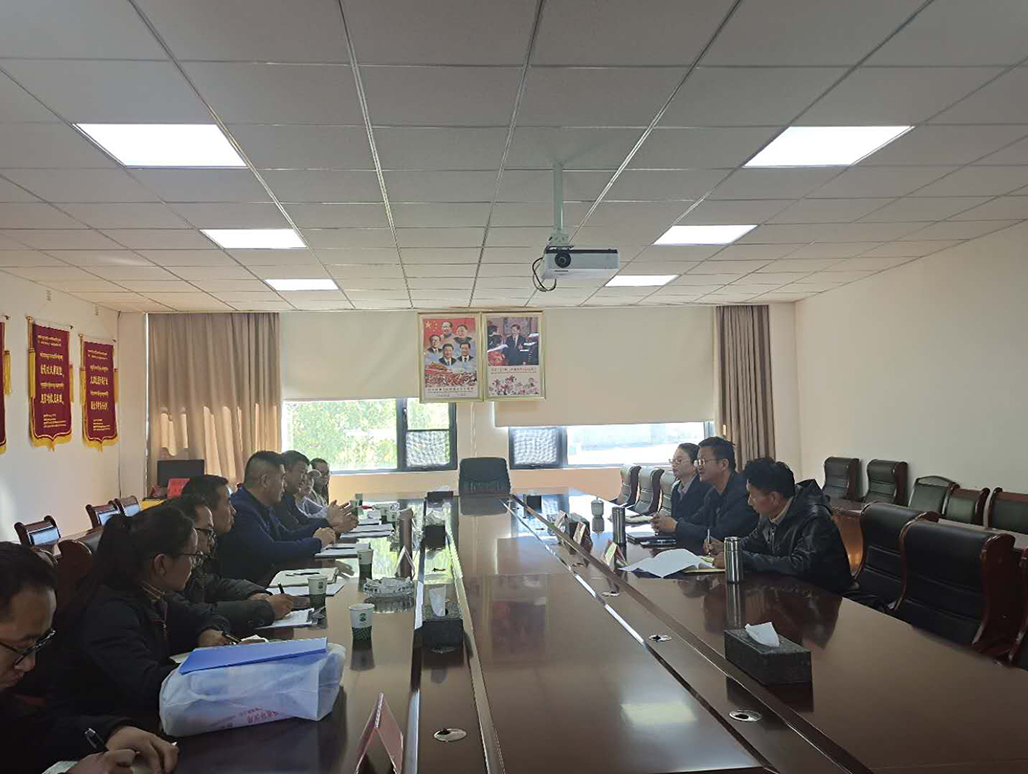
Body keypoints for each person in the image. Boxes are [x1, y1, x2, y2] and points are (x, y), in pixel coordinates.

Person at [1, 543, 179, 774]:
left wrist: (112, 731)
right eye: (20, 647)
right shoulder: (108, 610)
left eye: (39, 643)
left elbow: (28, 735)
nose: (30, 664)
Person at [50, 507, 233, 718]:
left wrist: (209, 632)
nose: (195, 564)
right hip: (103, 725)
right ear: (161, 563)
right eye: (193, 556)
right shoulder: (110, 612)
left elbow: (205, 615)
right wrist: (217, 670)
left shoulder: (151, 593)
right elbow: (148, 686)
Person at [706, 459, 853, 594]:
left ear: (774, 498)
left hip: (829, 598)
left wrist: (741, 559)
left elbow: (799, 565)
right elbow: (755, 542)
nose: (749, 502)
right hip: (791, 593)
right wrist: (728, 548)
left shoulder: (816, 518)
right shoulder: (770, 510)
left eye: (753, 496)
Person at [166, 494, 301, 634]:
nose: (211, 542)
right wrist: (264, 608)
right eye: (207, 532)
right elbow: (191, 614)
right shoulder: (165, 580)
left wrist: (254, 594)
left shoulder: (194, 564)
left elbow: (216, 585)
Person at [218, 451, 339, 583]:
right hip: (252, 587)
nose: (284, 485)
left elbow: (286, 536)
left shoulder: (262, 505)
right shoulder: (241, 509)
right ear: (265, 481)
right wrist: (317, 542)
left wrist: (325, 525)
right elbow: (271, 551)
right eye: (282, 478)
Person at [675, 437, 758, 543]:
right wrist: (672, 523)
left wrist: (676, 527)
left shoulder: (743, 494)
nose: (698, 467)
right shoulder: (713, 493)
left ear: (723, 464)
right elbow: (696, 520)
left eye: (703, 461)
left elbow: (720, 534)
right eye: (698, 462)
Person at [276, 450, 355, 531]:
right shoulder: (277, 501)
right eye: (302, 472)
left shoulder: (288, 498)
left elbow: (305, 522)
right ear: (285, 472)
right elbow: (295, 531)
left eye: (309, 477)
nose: (305, 479)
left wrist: (333, 525)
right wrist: (330, 523)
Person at [652, 442, 712, 539]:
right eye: (673, 460)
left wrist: (674, 525)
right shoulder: (676, 488)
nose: (674, 464)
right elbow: (675, 519)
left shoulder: (705, 489)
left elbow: (699, 524)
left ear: (695, 465)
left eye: (679, 460)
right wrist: (661, 524)